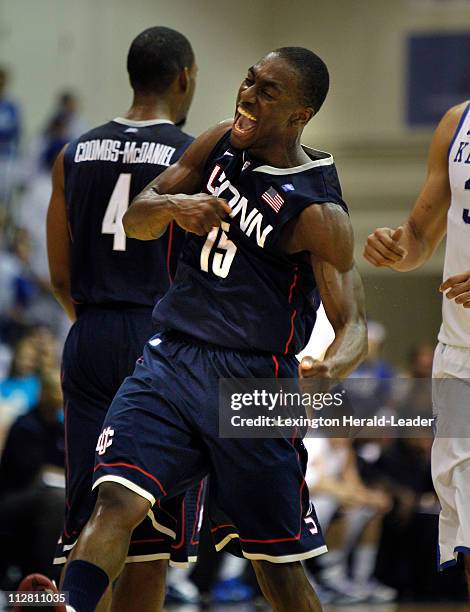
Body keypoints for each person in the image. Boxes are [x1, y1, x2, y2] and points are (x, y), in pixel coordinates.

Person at [61, 46, 368, 612]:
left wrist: (333, 365)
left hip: (253, 380)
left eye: (267, 91)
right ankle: (71, 606)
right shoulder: (217, 141)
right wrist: (176, 206)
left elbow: (353, 325)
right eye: (249, 81)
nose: (247, 96)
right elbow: (136, 218)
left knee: (278, 569)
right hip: (171, 360)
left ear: (300, 114)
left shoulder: (319, 212)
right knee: (114, 502)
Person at [46, 26, 199, 611]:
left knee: (92, 513)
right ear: (184, 76)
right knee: (148, 530)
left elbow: (60, 276)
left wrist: (91, 322)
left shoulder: (73, 151)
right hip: (157, 340)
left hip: (88, 333)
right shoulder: (191, 153)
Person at [363, 101, 470, 589]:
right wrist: (397, 247)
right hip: (459, 354)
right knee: (467, 534)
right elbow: (421, 238)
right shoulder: (456, 123)